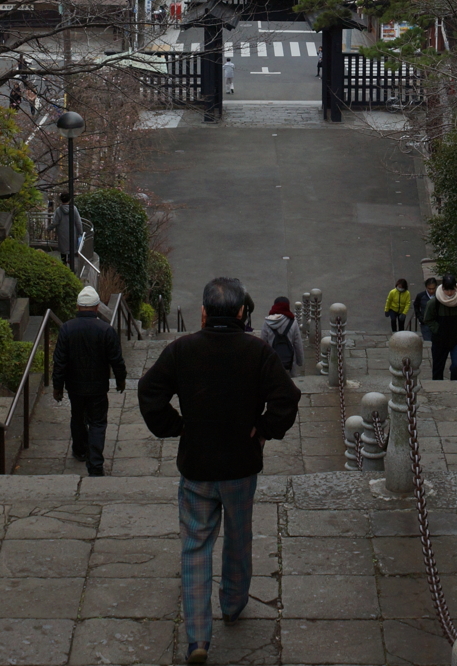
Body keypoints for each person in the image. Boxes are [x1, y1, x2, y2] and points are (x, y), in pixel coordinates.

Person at [138, 276, 301, 665]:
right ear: (243, 312)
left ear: (204, 312)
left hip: (196, 464)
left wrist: (175, 426)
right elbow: (286, 399)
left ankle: (197, 636)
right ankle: (232, 602)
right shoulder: (257, 351)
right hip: (241, 464)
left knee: (194, 545)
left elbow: (149, 392)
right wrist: (263, 429)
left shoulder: (182, 350)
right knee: (238, 535)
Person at [52, 284, 126, 476]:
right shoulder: (105, 330)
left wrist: (57, 387)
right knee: (98, 423)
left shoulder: (67, 329)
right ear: (96, 307)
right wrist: (120, 380)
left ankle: (80, 450)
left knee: (77, 418)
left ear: (78, 307)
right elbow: (116, 359)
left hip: (75, 386)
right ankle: (95, 463)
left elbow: (59, 362)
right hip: (98, 386)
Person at [423, 273, 457, 381]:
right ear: (442, 288)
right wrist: (437, 329)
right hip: (440, 339)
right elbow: (428, 319)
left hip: (456, 338)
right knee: (438, 367)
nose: (449, 293)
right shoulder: (434, 302)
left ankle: (455, 384)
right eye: (446, 290)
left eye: (451, 290)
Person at [260, 295, 304, 375]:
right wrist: (300, 361)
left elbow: (263, 343)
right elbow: (298, 343)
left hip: (272, 361)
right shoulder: (293, 322)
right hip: (290, 362)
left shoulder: (267, 322)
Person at [51, 190, 83, 268]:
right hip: (72, 232)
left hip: (62, 233)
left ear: (61, 199)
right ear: (70, 199)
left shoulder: (58, 210)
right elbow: (78, 221)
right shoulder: (74, 208)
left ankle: (64, 265)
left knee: (63, 250)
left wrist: (49, 228)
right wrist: (80, 232)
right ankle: (71, 265)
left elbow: (55, 222)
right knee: (71, 248)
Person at [414, 277, 438, 341]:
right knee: (428, 341)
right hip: (425, 323)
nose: (431, 291)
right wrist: (419, 317)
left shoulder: (439, 296)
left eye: (433, 289)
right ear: (426, 287)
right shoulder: (421, 296)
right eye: (429, 289)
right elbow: (416, 306)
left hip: (436, 323)